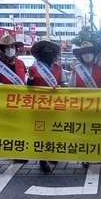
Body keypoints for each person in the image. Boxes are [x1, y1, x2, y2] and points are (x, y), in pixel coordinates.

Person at [27, 39, 68, 174]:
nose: (48, 53)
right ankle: (42, 160)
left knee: (55, 131)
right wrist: (31, 77)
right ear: (39, 54)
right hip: (40, 106)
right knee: (42, 133)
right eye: (44, 51)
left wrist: (61, 88)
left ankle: (53, 154)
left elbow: (64, 84)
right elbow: (28, 88)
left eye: (50, 51)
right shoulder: (34, 67)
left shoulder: (58, 68)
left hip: (56, 106)